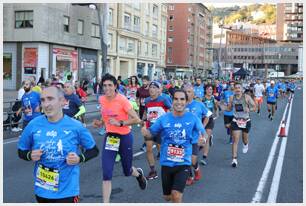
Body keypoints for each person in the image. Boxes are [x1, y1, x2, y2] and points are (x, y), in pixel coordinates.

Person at [18, 86, 99, 203]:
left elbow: (94, 150)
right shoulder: (33, 125)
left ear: (62, 101)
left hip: (67, 192)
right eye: (43, 100)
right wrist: (29, 155)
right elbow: (21, 151)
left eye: (50, 99)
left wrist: (79, 158)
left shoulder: (76, 126)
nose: (46, 104)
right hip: (42, 191)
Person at [141, 90, 206, 203]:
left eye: (182, 99)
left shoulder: (193, 118)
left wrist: (203, 139)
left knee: (176, 195)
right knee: (167, 197)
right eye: (176, 99)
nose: (179, 102)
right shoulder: (164, 118)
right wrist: (145, 132)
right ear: (172, 101)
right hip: (166, 163)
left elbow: (203, 132)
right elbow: (151, 132)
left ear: (186, 102)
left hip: (184, 163)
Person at [92, 73, 147, 203]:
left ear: (115, 86)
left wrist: (120, 123)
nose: (107, 88)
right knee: (106, 173)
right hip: (110, 137)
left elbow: (137, 119)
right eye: (104, 86)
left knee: (127, 171)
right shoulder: (102, 99)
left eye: (110, 85)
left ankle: (138, 174)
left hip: (124, 137)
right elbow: (105, 116)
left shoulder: (122, 100)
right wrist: (100, 123)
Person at [142, 81, 172, 180]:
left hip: (161, 129)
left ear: (159, 90)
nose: (152, 89)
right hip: (150, 128)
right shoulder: (146, 100)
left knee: (162, 149)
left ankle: (169, 168)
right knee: (149, 149)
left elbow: (171, 110)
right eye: (150, 87)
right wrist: (143, 122)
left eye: (154, 87)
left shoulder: (164, 99)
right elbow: (146, 113)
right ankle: (153, 171)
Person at [184, 84, 211, 185]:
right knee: (185, 159)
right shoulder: (180, 105)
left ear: (193, 93)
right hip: (183, 137)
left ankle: (196, 170)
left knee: (193, 160)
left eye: (189, 92)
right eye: (185, 91)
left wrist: (202, 127)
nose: (187, 94)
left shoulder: (199, 104)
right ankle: (190, 176)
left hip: (195, 137)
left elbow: (208, 115)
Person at [228, 82, 256, 167]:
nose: (237, 89)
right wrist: (221, 106)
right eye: (236, 88)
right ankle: (234, 159)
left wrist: (249, 109)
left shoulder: (247, 97)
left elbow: (255, 107)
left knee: (245, 139)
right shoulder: (232, 98)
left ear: (242, 89)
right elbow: (229, 109)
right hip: (236, 120)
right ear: (234, 90)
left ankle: (245, 144)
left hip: (245, 121)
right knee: (235, 140)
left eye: (239, 88)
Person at [200, 84, 219, 165]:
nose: (209, 91)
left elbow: (216, 108)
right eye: (208, 89)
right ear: (205, 90)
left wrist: (216, 114)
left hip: (210, 119)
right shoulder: (201, 99)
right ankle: (208, 137)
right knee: (201, 138)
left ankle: (204, 157)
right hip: (202, 120)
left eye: (211, 89)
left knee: (206, 138)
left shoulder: (213, 99)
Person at [136, 75, 151, 151]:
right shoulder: (139, 89)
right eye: (143, 81)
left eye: (145, 81)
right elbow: (137, 97)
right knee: (144, 128)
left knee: (149, 128)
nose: (144, 82)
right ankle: (146, 143)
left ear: (148, 81)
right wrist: (138, 103)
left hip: (150, 111)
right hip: (142, 110)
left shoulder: (151, 89)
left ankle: (146, 144)